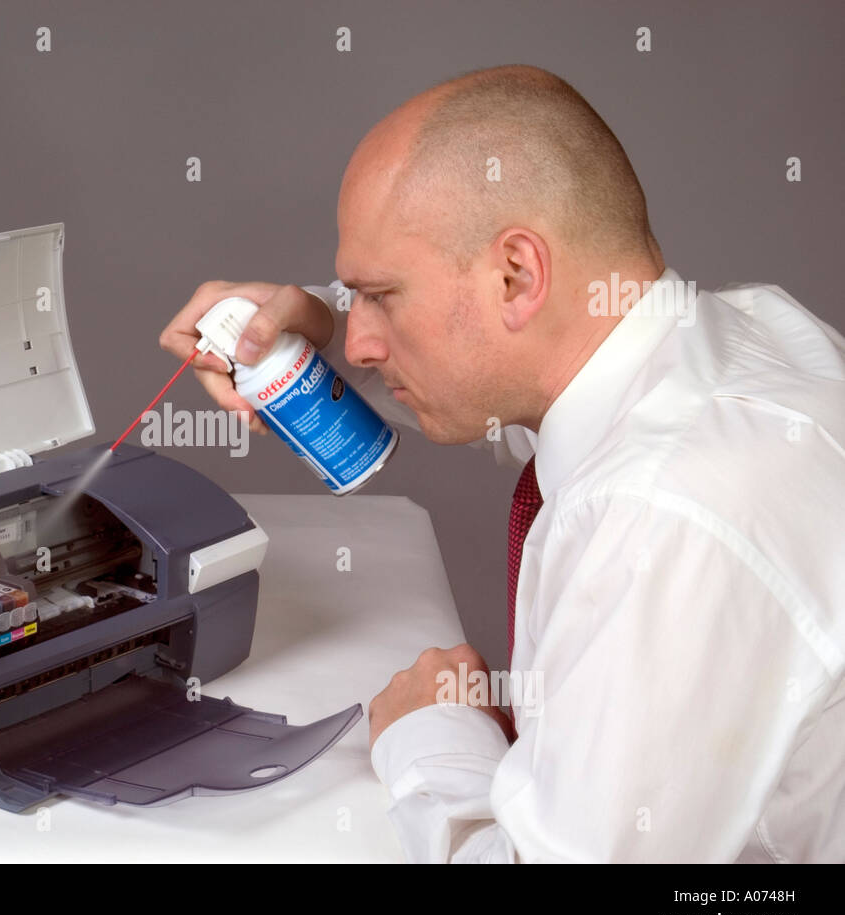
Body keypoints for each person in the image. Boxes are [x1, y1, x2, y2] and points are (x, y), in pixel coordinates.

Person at [159, 64, 845, 862]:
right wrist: (297, 359)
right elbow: (506, 401)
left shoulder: (667, 517)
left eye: (381, 295)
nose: (362, 339)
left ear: (517, 274)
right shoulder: (740, 341)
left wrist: (431, 735)